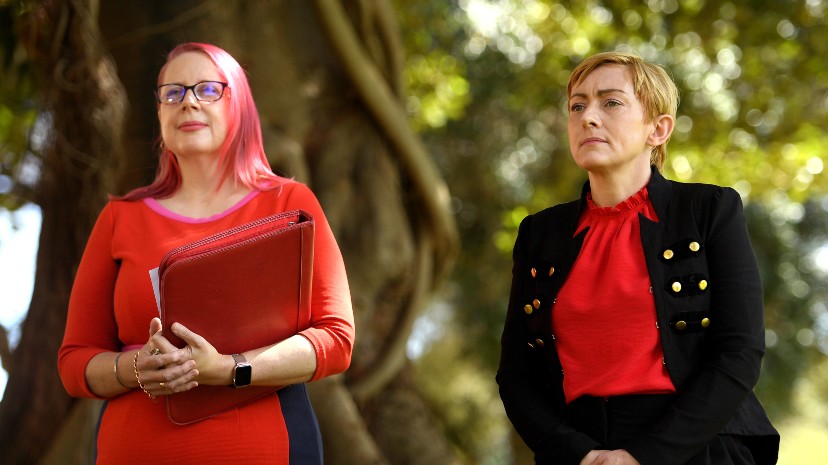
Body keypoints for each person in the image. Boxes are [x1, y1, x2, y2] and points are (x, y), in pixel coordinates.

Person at [58, 42, 355, 464]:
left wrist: (230, 368)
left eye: (208, 89)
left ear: (239, 105)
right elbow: (74, 361)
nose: (189, 102)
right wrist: (135, 368)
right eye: (173, 93)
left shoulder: (289, 204)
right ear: (159, 112)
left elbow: (335, 338)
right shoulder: (118, 219)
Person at [496, 51, 779, 465]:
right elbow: (516, 374)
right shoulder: (539, 233)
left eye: (611, 102)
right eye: (577, 106)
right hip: (578, 453)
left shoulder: (709, 210)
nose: (588, 118)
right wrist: (577, 453)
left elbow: (740, 352)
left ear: (658, 129)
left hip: (696, 448)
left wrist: (643, 456)